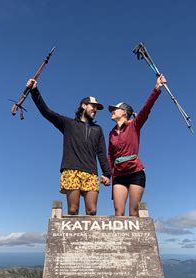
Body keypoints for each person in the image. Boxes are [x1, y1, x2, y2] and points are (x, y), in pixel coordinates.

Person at [26, 78, 111, 215]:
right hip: (71, 170)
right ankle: (75, 237)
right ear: (83, 105)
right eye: (93, 106)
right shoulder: (68, 124)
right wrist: (34, 91)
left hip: (91, 172)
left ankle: (89, 237)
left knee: (92, 210)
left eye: (97, 108)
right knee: (73, 210)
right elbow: (46, 112)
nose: (95, 109)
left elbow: (101, 152)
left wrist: (107, 173)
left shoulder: (98, 129)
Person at [108, 75, 166, 216]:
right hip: (119, 175)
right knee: (118, 212)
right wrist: (109, 174)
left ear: (124, 113)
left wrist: (157, 88)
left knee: (133, 212)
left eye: (115, 109)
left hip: (136, 173)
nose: (112, 111)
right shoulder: (111, 133)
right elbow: (110, 155)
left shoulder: (134, 125)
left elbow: (146, 109)